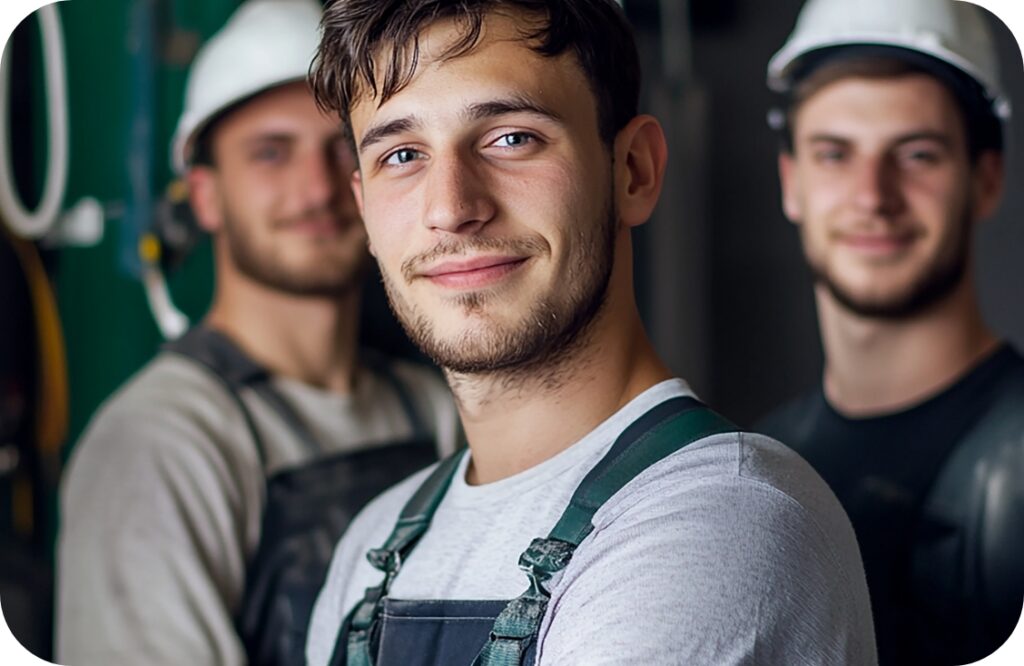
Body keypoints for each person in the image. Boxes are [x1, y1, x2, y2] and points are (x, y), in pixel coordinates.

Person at [303, 1, 876, 664]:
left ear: (634, 170)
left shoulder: (721, 518)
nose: (452, 208)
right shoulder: (371, 550)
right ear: (364, 208)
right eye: (402, 155)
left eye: (511, 138)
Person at [55, 1, 461, 664]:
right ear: (206, 195)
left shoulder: (434, 405)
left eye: (343, 149)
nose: (317, 189)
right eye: (271, 154)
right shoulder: (162, 443)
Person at [758, 0, 1024, 663]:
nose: (873, 195)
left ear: (985, 179)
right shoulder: (761, 463)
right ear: (792, 183)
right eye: (834, 154)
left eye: (918, 154)